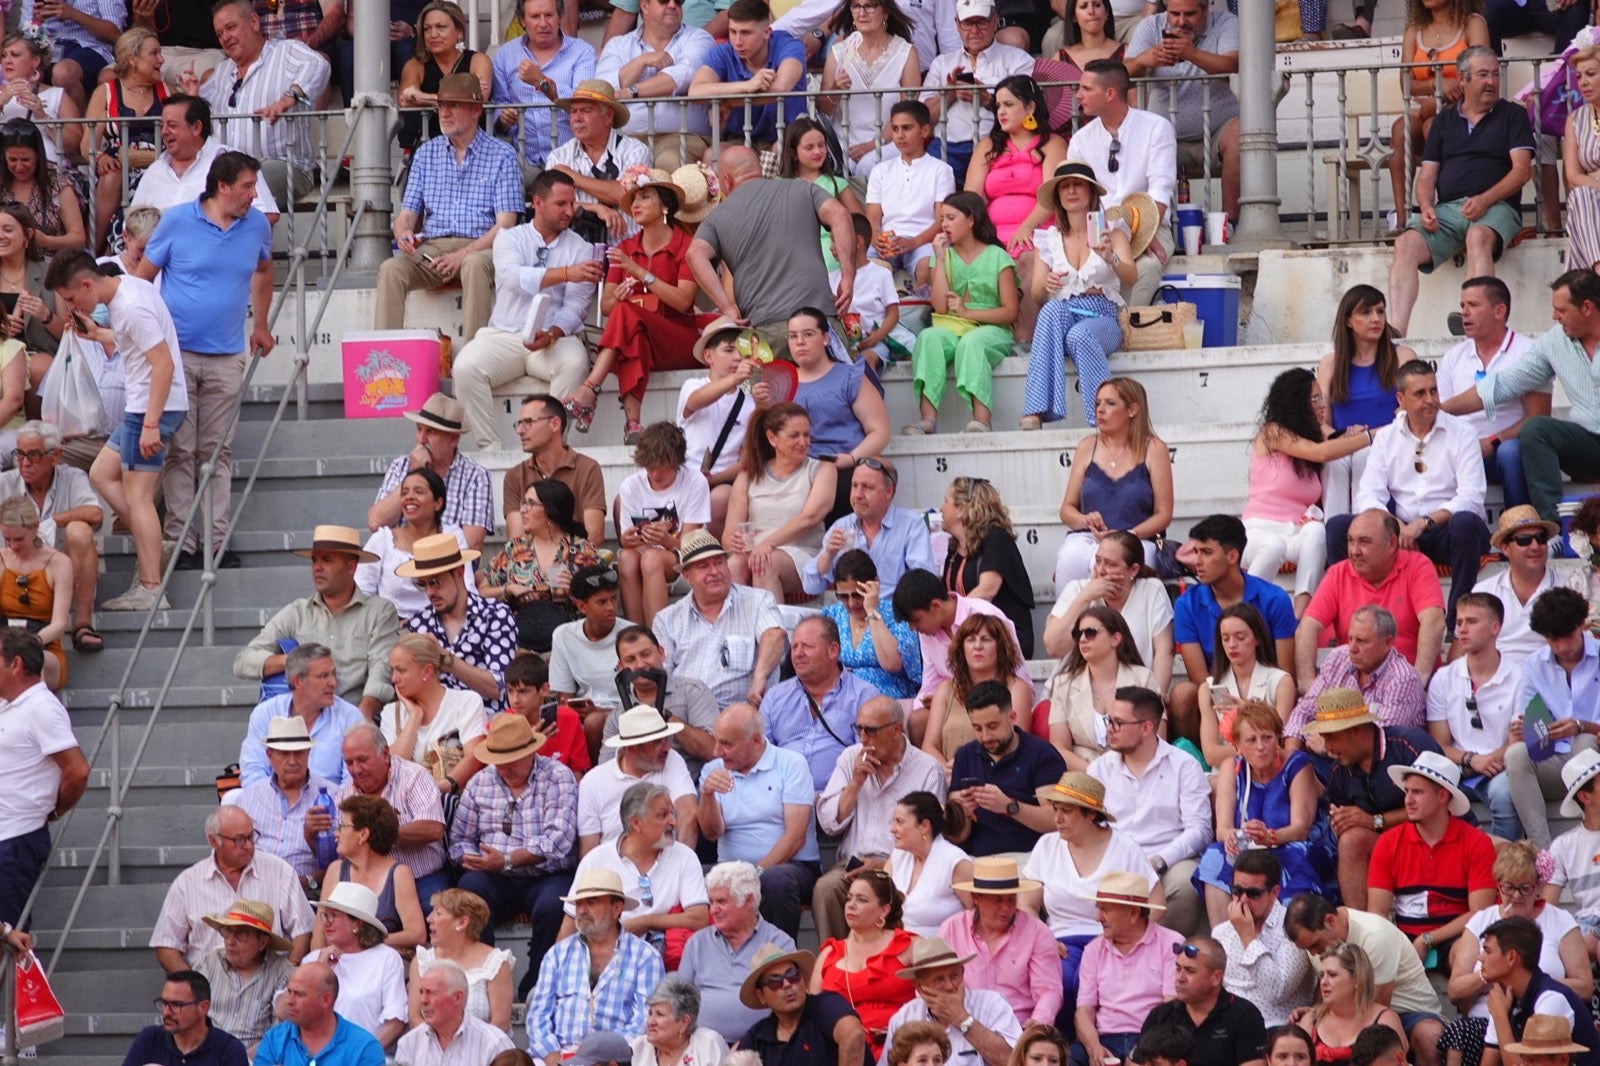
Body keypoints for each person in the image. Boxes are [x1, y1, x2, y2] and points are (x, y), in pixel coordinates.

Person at [127, 150, 270, 571]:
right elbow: (142, 280)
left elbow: (264, 271)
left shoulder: (257, 224)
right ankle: (181, 542)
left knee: (216, 451)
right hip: (177, 355)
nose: (253, 195)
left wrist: (260, 324)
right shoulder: (176, 220)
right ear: (222, 187)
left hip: (228, 354)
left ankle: (215, 543)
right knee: (180, 450)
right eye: (247, 186)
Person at [46, 250, 183, 613]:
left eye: (72, 299)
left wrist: (151, 422)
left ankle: (151, 587)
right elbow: (136, 343)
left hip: (151, 407)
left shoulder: (131, 306)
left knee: (138, 499)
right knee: (102, 473)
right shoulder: (129, 290)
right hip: (146, 405)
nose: (72, 306)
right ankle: (151, 537)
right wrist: (98, 334)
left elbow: (164, 364)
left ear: (88, 284)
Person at [1327, 360, 1490, 627]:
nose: (1430, 400)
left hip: (1446, 530)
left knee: (1466, 523)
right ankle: (1353, 621)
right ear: (1401, 399)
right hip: (1400, 533)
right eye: (1420, 393)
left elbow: (1471, 497)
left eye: (1434, 391)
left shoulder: (1463, 433)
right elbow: (1367, 496)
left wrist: (1423, 523)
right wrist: (1397, 527)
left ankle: (1455, 623)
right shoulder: (1387, 437)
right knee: (1338, 527)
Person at [1386, 46, 1534, 338]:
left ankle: (1473, 321)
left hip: (1498, 207)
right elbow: (1427, 175)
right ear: (1463, 80)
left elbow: (1522, 171)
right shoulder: (1443, 121)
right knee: (1404, 244)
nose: (1491, 81)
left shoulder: (1512, 115)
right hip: (1449, 210)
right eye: (1483, 75)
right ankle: (1396, 331)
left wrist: (1484, 200)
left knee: (1477, 236)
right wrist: (1426, 206)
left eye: (1494, 74)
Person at [376, 73, 522, 346]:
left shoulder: (502, 154)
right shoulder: (425, 153)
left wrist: (463, 254)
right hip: (433, 249)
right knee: (390, 269)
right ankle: (386, 358)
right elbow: (407, 214)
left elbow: (506, 225)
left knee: (474, 265)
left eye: (454, 105)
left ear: (476, 110)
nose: (444, 112)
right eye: (442, 105)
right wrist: (404, 233)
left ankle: (474, 356)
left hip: (481, 248)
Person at [686, 145, 856, 360]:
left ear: (727, 181)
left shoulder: (716, 217)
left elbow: (695, 255)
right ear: (761, 170)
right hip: (818, 322)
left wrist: (727, 307)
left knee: (771, 393)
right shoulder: (803, 189)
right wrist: (848, 277)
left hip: (764, 332)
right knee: (837, 390)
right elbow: (841, 214)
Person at [448, 713, 577, 994]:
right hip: (493, 875)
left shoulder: (558, 777)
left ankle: (539, 983)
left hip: (546, 873)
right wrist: (471, 858)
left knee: (554, 904)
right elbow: (459, 840)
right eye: (499, 760)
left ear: (531, 752)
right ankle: (483, 977)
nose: (504, 768)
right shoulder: (480, 782)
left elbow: (560, 841)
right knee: (469, 891)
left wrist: (507, 859)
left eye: (511, 759)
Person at [575, 172, 700, 443]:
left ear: (665, 206)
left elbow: (683, 301)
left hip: (679, 338)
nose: (636, 204)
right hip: (641, 334)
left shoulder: (686, 245)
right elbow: (607, 305)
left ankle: (589, 388)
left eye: (645, 196)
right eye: (633, 199)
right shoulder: (625, 247)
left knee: (627, 316)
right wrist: (619, 297)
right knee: (630, 327)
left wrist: (640, 273)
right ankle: (633, 425)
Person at [1020, 772, 1153, 1027]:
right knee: (1058, 980)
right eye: (1055, 809)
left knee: (1088, 982)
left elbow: (1154, 903)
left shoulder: (1124, 847)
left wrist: (1126, 938)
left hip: (1109, 939)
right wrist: (1043, 937)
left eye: (1066, 811)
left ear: (1091, 814)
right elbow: (1026, 904)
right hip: (1060, 941)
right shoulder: (1046, 845)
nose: (1056, 818)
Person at [1443, 841, 1591, 1064]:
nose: (1516, 896)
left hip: (1542, 1017)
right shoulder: (1482, 921)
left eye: (1525, 888)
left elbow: (1584, 986)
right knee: (1458, 1034)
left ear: (1539, 886)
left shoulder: (1559, 920)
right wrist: (1489, 976)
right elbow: (1455, 990)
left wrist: (1523, 984)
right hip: (1487, 1016)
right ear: (1498, 886)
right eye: (1508, 887)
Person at [814, 695, 946, 941]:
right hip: (852, 866)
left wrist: (884, 865)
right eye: (859, 729)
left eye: (871, 731)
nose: (863, 738)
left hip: (902, 868)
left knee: (905, 896)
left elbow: (929, 837)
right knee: (826, 889)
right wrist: (854, 784)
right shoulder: (850, 758)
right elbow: (828, 824)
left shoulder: (927, 769)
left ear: (897, 729)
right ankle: (834, 966)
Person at [233, 524, 399, 718]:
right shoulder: (297, 612)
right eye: (314, 560)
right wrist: (294, 662)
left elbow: (382, 670)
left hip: (355, 717)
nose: (317, 568)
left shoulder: (380, 611)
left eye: (327, 560)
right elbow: (243, 661)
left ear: (351, 567)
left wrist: (362, 717)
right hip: (304, 721)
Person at [1241, 368, 1370, 614]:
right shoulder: (1273, 432)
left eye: (1322, 398)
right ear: (1296, 403)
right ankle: (1244, 612)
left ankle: (1302, 617)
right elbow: (1321, 452)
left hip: (1294, 532)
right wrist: (1373, 436)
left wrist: (1354, 435)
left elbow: (1335, 442)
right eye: (1314, 399)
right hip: (1259, 530)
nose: (1322, 405)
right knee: (1273, 545)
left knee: (1316, 531)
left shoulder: (1313, 436)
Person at [1196, 701, 1334, 926]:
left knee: (1295, 857)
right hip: (1249, 848)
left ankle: (1290, 940)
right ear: (1238, 745)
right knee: (1214, 856)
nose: (1260, 746)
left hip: (1293, 845)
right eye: (1251, 740)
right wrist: (1231, 836)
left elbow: (1301, 829)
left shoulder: (1297, 764)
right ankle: (1223, 940)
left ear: (1279, 739)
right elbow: (1221, 829)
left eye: (1267, 737)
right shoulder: (1232, 767)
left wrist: (1270, 837)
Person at [1020, 159, 1134, 431]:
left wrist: (1111, 258)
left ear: (1091, 192)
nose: (1071, 191)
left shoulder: (1112, 232)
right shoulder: (1048, 239)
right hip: (1063, 315)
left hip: (1102, 317)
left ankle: (1103, 416)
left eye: (1078, 185)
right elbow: (1036, 295)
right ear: (1058, 196)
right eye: (1065, 187)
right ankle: (1036, 409)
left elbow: (1132, 277)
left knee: (1079, 335)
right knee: (1049, 310)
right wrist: (1046, 283)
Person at [1088, 685, 1212, 934]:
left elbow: (1200, 830)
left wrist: (1159, 860)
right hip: (1114, 862)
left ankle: (1149, 945)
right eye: (1108, 721)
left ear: (1146, 728)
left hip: (1168, 861)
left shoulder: (1183, 765)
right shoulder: (1098, 770)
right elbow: (1091, 827)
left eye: (1118, 723)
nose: (1109, 730)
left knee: (1186, 884)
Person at [1170, 514, 1298, 746]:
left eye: (1206, 552)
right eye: (1195, 551)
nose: (1197, 561)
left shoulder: (1275, 599)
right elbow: (1199, 676)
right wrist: (1229, 702)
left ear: (1232, 556)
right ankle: (1199, 763)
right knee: (1182, 694)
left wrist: (1251, 707)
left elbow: (1286, 670)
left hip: (1267, 691)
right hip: (1217, 694)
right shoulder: (1186, 604)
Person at [698, 703, 822, 938]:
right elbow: (711, 833)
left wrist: (755, 874)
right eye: (716, 741)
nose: (716, 751)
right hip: (730, 867)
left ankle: (777, 960)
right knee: (691, 877)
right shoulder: (714, 770)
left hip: (793, 866)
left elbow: (795, 838)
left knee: (776, 881)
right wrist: (707, 795)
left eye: (727, 744)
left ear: (755, 741)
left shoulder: (791, 764)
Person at [193, 0, 329, 208]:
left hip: (286, 165)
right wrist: (192, 98)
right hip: (228, 175)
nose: (225, 37)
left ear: (254, 22)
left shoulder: (285, 52)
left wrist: (290, 97)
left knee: (244, 187)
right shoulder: (220, 74)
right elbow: (198, 121)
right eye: (219, 34)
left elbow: (319, 65)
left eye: (230, 27)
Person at [1295, 509, 1447, 691]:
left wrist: (1417, 681)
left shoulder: (1418, 566)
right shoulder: (1338, 573)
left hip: (1411, 686)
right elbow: (1307, 629)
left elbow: (1434, 621)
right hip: (1355, 691)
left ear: (1391, 544)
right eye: (1350, 541)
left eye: (1364, 542)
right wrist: (1308, 686)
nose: (1354, 551)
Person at [965, 75, 1066, 344]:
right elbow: (972, 197)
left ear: (1030, 108)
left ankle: (1024, 342)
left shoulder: (1052, 144)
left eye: (1008, 104)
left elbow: (1051, 194)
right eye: (998, 106)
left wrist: (1026, 227)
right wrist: (983, 235)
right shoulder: (988, 147)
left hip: (1038, 229)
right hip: (993, 233)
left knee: (1026, 257)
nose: (1001, 112)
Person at [906, 192, 1018, 436]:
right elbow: (940, 306)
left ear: (971, 220)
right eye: (942, 218)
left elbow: (1010, 312)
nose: (944, 224)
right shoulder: (943, 256)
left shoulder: (997, 256)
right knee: (928, 338)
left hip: (991, 330)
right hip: (951, 327)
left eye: (951, 217)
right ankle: (927, 419)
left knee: (972, 343)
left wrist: (968, 312)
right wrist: (939, 257)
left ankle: (981, 420)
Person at [1367, 751, 1496, 962]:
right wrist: (1401, 946)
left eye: (1417, 792)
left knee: (1468, 954)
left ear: (1442, 796)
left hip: (1457, 937)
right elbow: (1377, 914)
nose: (1408, 800)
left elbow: (1480, 913)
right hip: (1403, 939)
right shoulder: (1388, 843)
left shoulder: (1476, 842)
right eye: (1407, 791)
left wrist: (1427, 939)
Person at [150, 806, 314, 971]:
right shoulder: (187, 882)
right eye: (240, 840)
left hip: (270, 983)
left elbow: (303, 931)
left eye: (251, 836)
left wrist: (288, 976)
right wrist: (194, 987)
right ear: (214, 841)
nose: (249, 846)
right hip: (209, 984)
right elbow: (166, 945)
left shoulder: (279, 871)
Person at [1068, 59, 1176, 305]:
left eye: (1086, 89)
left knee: (1147, 267)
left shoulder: (1156, 128)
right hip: (1097, 229)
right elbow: (1079, 196)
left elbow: (1160, 188)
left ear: (1110, 94)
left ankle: (1127, 334)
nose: (1078, 95)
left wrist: (1143, 236)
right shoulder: (1080, 140)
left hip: (1150, 226)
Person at [526, 868, 664, 1056]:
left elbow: (644, 1020)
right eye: (579, 903)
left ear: (616, 909)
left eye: (591, 902)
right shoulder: (557, 954)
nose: (582, 910)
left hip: (618, 1058)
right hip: (558, 1056)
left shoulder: (646, 957)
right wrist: (551, 1056)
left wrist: (603, 1056)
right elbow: (538, 1015)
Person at [1501, 587, 1600, 850]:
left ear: (1582, 624)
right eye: (1553, 639)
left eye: (1567, 637)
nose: (1562, 647)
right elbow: (1527, 719)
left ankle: (1593, 838)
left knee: (1585, 743)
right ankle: (1541, 853)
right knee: (1516, 754)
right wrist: (1526, 728)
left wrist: (1581, 726)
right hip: (1555, 762)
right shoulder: (1535, 664)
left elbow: (1586, 736)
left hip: (1595, 763)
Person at [1435, 278, 1547, 511]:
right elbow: (1442, 413)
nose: (1464, 313)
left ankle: (1521, 528)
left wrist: (1493, 441)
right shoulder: (1453, 356)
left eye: (1473, 305)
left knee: (1510, 452)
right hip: (1462, 450)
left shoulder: (1528, 352)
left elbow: (1538, 417)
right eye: (1462, 305)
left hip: (1506, 450)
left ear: (1499, 311)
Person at [561, 781, 709, 956]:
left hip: (668, 955)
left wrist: (645, 922)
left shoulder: (685, 856)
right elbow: (571, 924)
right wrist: (559, 968)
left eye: (672, 814)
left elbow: (700, 918)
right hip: (611, 953)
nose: (673, 822)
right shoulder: (596, 859)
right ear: (636, 823)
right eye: (662, 815)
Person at [1053, 377, 1174, 589]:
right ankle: (1069, 620)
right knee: (1070, 556)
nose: (1100, 410)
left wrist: (1129, 535)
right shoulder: (1086, 446)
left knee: (1137, 558)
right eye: (1098, 403)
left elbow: (1163, 514)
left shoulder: (1154, 449)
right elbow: (1066, 509)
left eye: (1110, 403)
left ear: (1132, 410)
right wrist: (1085, 520)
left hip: (1137, 538)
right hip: (1088, 537)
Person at [1386, 0, 1491, 243]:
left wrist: (1438, 101)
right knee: (1400, 130)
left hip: (1465, 109)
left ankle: (1443, 213)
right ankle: (1401, 220)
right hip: (1426, 107)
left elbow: (1479, 73)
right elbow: (1406, 83)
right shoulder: (1414, 30)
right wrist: (1438, 87)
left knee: (1433, 126)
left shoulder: (1472, 24)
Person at [1126, 0, 1240, 220]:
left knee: (1239, 133)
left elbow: (1233, 67)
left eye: (1189, 14)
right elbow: (1120, 75)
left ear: (1205, 9)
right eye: (1174, 13)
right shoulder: (1150, 26)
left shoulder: (1227, 22)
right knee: (1140, 140)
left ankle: (1230, 223)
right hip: (1166, 136)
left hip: (1218, 133)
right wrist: (1144, 60)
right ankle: (1156, 227)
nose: (1180, 21)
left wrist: (1191, 53)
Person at [0, 628, 84, 926]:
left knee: (7, 938)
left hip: (15, 839)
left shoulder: (42, 707)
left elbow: (77, 770)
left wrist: (55, 809)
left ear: (16, 664)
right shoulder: (10, 705)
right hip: (8, 836)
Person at [654, 530, 786, 708]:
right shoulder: (667, 619)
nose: (714, 571)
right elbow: (662, 678)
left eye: (719, 563)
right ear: (686, 576)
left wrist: (760, 677)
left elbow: (775, 635)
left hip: (740, 711)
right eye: (703, 566)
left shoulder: (758, 601)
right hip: (687, 715)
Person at [0, 421, 103, 650]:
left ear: (55, 456)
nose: (25, 463)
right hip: (14, 574)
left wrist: (50, 521)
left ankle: (82, 624)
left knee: (80, 530)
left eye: (34, 455)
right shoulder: (5, 483)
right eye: (20, 454)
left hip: (59, 574)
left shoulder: (72, 477)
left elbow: (96, 514)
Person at [1426, 592, 1520, 841]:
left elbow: (1519, 740)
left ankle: (1504, 867)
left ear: (1495, 627)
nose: (1462, 630)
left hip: (1501, 767)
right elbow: (1439, 744)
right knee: (1429, 791)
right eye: (1458, 623)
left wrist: (1487, 760)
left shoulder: (1520, 677)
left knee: (1504, 792)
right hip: (1459, 766)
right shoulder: (1443, 678)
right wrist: (1471, 759)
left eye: (1472, 622)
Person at [788, 307, 893, 524]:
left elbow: (879, 431)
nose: (799, 342)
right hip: (798, 468)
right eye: (793, 336)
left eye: (808, 334)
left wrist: (851, 458)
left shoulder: (849, 376)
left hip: (846, 465)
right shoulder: (782, 382)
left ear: (825, 338)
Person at [331, 723, 450, 909]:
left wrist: (378, 832)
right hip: (367, 883)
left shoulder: (414, 776)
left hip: (422, 878)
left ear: (385, 754)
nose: (356, 769)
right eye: (349, 763)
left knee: (437, 912)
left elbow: (433, 828)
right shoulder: (344, 794)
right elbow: (342, 846)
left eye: (362, 760)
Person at [725, 404, 836, 602]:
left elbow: (809, 518)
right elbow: (728, 536)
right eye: (794, 436)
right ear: (772, 438)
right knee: (734, 564)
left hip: (802, 552)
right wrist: (736, 543)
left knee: (765, 563)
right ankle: (738, 631)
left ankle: (773, 631)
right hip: (757, 552)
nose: (803, 442)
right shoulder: (747, 476)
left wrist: (766, 545)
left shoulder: (822, 469)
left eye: (807, 435)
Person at [678, 860, 798, 1042]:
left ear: (748, 900)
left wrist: (750, 1042)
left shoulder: (778, 942)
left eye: (721, 901)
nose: (713, 910)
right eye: (711, 902)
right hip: (700, 1047)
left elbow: (790, 1005)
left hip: (761, 1045)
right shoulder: (697, 942)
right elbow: (678, 999)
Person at [939, 857, 1062, 1032]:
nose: (1006, 908)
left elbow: (1049, 990)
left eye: (1011, 899)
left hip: (1017, 1028)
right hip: (963, 1026)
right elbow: (932, 981)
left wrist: (1039, 1022)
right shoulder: (951, 929)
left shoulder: (1038, 932)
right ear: (976, 898)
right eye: (997, 900)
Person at [1315, 285, 1409, 515]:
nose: (1376, 319)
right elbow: (1321, 421)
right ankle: (1335, 533)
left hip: (1387, 443)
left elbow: (1409, 413)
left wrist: (1370, 436)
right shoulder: (1330, 364)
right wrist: (1342, 437)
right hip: (1344, 444)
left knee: (1364, 456)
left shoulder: (1403, 356)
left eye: (1380, 311)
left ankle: (1366, 532)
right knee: (1333, 461)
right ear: (1348, 320)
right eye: (1366, 312)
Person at [478, 479, 600, 654]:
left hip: (570, 645)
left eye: (531, 504)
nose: (522, 510)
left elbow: (604, 600)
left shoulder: (582, 550)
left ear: (551, 510)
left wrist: (577, 590)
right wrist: (508, 588)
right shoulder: (516, 549)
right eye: (523, 503)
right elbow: (483, 591)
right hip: (520, 645)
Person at [1075, 871, 1185, 1066]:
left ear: (1134, 913)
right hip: (1104, 1038)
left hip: (1151, 1039)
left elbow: (1171, 1008)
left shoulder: (1171, 943)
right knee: (1069, 1057)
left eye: (1105, 909)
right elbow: (1084, 1011)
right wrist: (1094, 1048)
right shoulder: (1093, 949)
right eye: (1098, 908)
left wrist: (1139, 1053)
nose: (1097, 917)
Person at [918, 0, 1032, 185]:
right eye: (968, 23)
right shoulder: (941, 63)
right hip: (947, 147)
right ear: (957, 24)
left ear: (995, 21)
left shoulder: (1018, 60)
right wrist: (951, 92)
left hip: (998, 144)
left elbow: (1028, 110)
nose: (974, 30)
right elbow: (923, 117)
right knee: (927, 185)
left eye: (981, 22)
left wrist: (988, 99)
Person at [402, 532, 518, 713]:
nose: (430, 592)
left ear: (459, 573)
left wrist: (446, 660)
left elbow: (498, 687)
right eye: (423, 584)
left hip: (488, 723)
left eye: (435, 582)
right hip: (436, 725)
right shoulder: (418, 625)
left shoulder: (495, 614)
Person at [950, 679, 1066, 859]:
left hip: (1031, 857)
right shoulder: (965, 756)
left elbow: (1056, 819)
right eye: (977, 728)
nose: (986, 736)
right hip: (977, 858)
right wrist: (961, 813)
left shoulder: (1041, 754)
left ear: (1012, 717)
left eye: (992, 726)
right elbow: (958, 836)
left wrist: (1009, 806)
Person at [895, 568, 1032, 720]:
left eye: (916, 620)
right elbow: (930, 683)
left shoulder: (986, 615)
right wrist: (929, 703)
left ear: (935, 606)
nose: (913, 628)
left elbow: (1017, 673)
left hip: (995, 703)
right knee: (917, 720)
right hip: (953, 703)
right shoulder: (927, 633)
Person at [809, 868, 918, 1059]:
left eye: (862, 900)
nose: (850, 905)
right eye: (849, 898)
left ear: (884, 909)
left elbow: (937, 997)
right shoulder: (829, 953)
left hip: (900, 1049)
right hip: (841, 1052)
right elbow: (810, 1016)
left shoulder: (909, 945)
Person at [368, 393, 495, 553]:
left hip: (449, 566)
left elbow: (471, 544)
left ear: (453, 440)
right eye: (419, 429)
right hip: (399, 564)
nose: (421, 440)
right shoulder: (401, 466)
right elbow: (375, 523)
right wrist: (414, 474)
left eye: (431, 432)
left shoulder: (476, 476)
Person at [594, 0, 714, 169]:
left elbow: (684, 76)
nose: (672, 5)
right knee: (617, 169)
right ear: (644, 5)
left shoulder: (699, 37)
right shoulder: (618, 45)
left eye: (678, 1)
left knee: (668, 162)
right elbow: (604, 89)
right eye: (664, 0)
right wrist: (641, 62)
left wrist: (631, 91)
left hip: (682, 136)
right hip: (628, 137)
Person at [1287, 604, 1428, 743]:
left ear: (1387, 643)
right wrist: (1292, 754)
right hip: (1333, 753)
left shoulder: (1402, 680)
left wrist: (1327, 745)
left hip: (1383, 763)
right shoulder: (1339, 658)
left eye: (1361, 641)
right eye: (1350, 639)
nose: (1352, 649)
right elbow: (1304, 711)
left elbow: (1379, 743)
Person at [803, 456, 935, 600]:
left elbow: (925, 584)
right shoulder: (841, 526)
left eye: (867, 487)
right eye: (854, 486)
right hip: (850, 614)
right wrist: (828, 555)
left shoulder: (911, 525)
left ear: (889, 492)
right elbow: (811, 587)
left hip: (894, 614)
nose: (858, 495)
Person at [1045, 530, 1172, 678]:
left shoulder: (1151, 589)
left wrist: (1156, 695)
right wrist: (1085, 598)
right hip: (1076, 692)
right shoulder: (1076, 589)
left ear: (1134, 570)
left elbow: (1164, 651)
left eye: (1110, 564)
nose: (1100, 570)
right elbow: (1054, 648)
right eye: (1098, 561)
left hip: (1136, 693)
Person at [1210, 851, 1315, 1028]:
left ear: (1274, 892)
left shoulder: (1292, 928)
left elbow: (1276, 991)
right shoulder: (1222, 932)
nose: (1242, 900)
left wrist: (1248, 938)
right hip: (1228, 1029)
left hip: (1275, 1029)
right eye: (1237, 891)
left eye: (1253, 894)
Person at [1042, 605, 1154, 772]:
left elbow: (1154, 739)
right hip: (1082, 779)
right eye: (1078, 634)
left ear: (1115, 639)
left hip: (1137, 774)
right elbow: (1059, 748)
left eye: (1091, 633)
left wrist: (1119, 776)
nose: (1082, 639)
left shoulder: (1144, 678)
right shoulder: (1063, 684)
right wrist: (1096, 773)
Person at [238, 643, 366, 789]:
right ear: (297, 681)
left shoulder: (351, 717)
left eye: (333, 674)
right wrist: (273, 806)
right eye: (323, 676)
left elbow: (353, 780)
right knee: (232, 799)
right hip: (275, 802)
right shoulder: (266, 713)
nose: (333, 682)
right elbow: (253, 771)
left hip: (330, 803)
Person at [488, 0, 596, 173]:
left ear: (560, 17)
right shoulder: (505, 55)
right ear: (522, 21)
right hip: (523, 158)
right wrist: (503, 119)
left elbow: (583, 102)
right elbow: (497, 104)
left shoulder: (581, 52)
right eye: (535, 17)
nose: (543, 23)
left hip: (572, 157)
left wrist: (542, 82)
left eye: (549, 15)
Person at [817, 0, 921, 178]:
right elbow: (823, 110)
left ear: (886, 12)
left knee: (869, 164)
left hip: (889, 142)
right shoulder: (839, 52)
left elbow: (909, 112)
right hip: (842, 143)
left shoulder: (905, 52)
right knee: (840, 166)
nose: (862, 12)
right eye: (856, 6)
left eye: (870, 5)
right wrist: (835, 90)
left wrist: (873, 145)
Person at [128, 95, 277, 217]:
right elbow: (131, 224)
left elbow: (267, 214)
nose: (164, 132)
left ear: (196, 127)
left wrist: (220, 238)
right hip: (157, 252)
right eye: (162, 126)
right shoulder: (155, 170)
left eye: (172, 125)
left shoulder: (233, 163)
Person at [883, 936, 1023, 1066]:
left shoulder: (992, 1004)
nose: (950, 986)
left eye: (954, 976)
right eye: (939, 979)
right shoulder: (904, 1018)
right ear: (919, 986)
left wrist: (962, 1019)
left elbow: (1015, 1061)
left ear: (962, 973)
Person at [1479, 917, 1600, 1066]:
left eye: (1487, 951)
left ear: (1511, 957)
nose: (1480, 958)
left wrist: (1500, 1016)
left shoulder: (1552, 999)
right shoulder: (1504, 998)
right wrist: (1499, 1014)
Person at [301, 882, 409, 1051]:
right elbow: (286, 1011)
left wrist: (359, 1055)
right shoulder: (313, 959)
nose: (326, 922)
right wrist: (317, 971)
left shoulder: (386, 958)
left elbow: (395, 1022)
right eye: (325, 915)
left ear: (357, 924)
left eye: (334, 915)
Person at [688, 0, 806, 152]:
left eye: (746, 33)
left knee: (781, 149)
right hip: (740, 140)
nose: (737, 42)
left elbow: (781, 87)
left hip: (786, 138)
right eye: (733, 32)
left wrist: (729, 103)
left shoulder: (789, 45)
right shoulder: (723, 52)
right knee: (712, 155)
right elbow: (695, 92)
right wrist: (748, 85)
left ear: (766, 32)